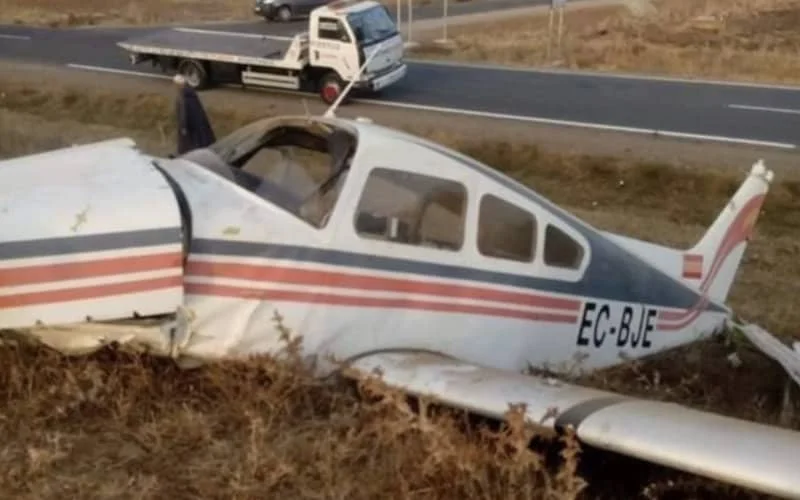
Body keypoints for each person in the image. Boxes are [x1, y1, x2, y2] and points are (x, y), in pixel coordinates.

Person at [174, 73, 216, 155]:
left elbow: (183, 114)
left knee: (190, 144)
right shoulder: (192, 93)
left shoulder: (182, 97)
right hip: (199, 122)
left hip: (190, 126)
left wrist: (183, 127)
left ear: (178, 85)